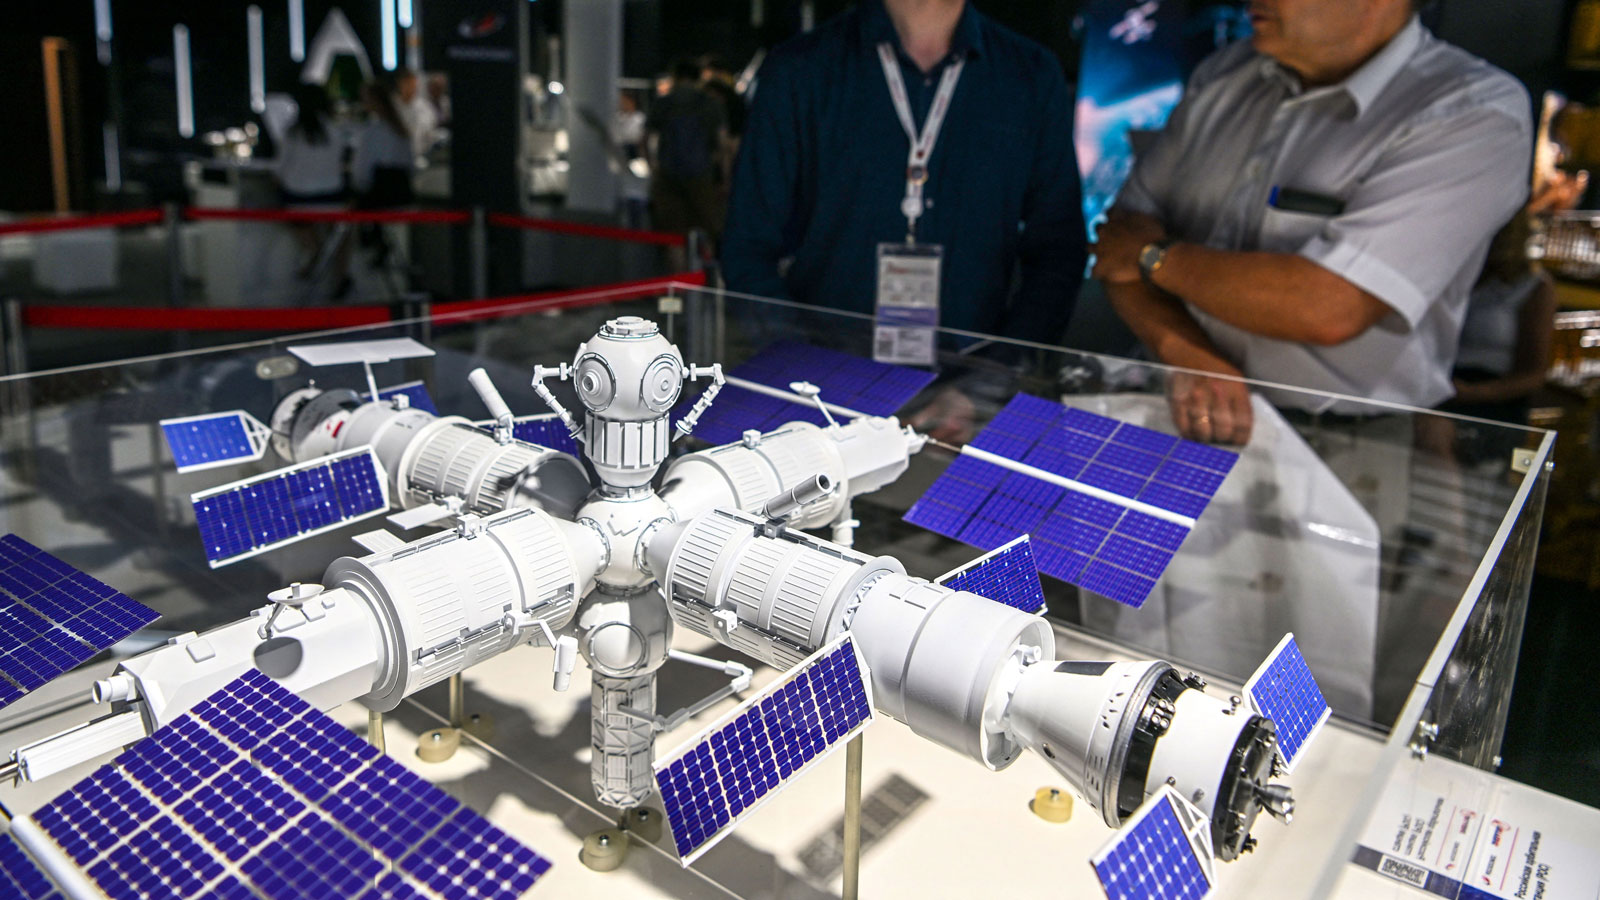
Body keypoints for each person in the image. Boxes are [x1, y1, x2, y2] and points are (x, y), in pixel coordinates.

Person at [1091, 0, 1533, 445]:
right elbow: (1116, 246)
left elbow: (1328, 308)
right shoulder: (1226, 73)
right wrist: (1185, 352)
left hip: (1341, 447)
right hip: (1174, 409)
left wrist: (1152, 256)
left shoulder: (1470, 111)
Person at [720, 0, 1086, 352]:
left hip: (970, 387)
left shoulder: (1031, 77)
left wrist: (989, 382)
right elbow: (747, 250)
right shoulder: (799, 71)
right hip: (826, 388)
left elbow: (1058, 251)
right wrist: (807, 371)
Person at [647, 58, 727, 243]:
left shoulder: (664, 103)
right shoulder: (710, 104)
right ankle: (704, 271)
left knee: (673, 236)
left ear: (675, 77)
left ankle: (679, 271)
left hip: (668, 174)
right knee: (707, 230)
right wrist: (723, 176)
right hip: (701, 174)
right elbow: (722, 145)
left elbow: (645, 139)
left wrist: (654, 166)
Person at [274, 83, 346, 279]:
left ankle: (315, 251)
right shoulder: (335, 131)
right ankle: (340, 274)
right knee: (340, 232)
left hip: (298, 198)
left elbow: (280, 169)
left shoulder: (292, 133)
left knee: (296, 216)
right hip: (332, 198)